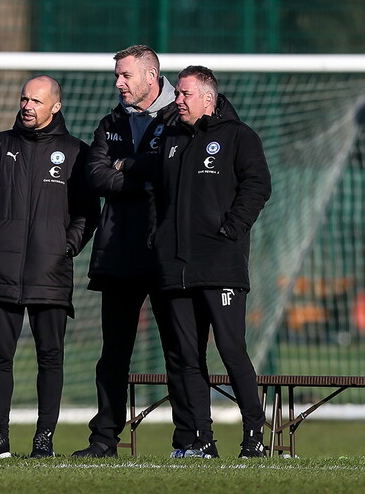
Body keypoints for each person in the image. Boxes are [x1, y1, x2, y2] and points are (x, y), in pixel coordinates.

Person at [72, 44, 194, 458]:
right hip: (119, 253)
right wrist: (139, 176)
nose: (118, 83)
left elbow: (173, 174)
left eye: (125, 75)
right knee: (113, 353)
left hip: (167, 252)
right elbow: (96, 176)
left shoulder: (180, 118)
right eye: (117, 75)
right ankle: (104, 439)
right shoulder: (109, 124)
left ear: (150, 75)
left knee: (180, 350)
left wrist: (131, 167)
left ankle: (189, 441)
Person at [0, 75, 99, 459]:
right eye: (24, 99)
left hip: (50, 270)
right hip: (3, 268)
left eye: (37, 101)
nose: (27, 106)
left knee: (50, 356)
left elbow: (88, 212)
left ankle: (44, 440)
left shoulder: (76, 152)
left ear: (55, 106)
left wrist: (67, 247)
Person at [153, 65, 271, 458]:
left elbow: (258, 186)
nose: (178, 100)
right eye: (178, 93)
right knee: (187, 355)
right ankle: (202, 440)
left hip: (220, 264)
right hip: (176, 266)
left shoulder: (239, 136)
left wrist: (230, 232)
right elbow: (160, 196)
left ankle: (254, 437)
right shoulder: (170, 138)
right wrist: (160, 236)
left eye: (185, 93)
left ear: (209, 98)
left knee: (231, 348)